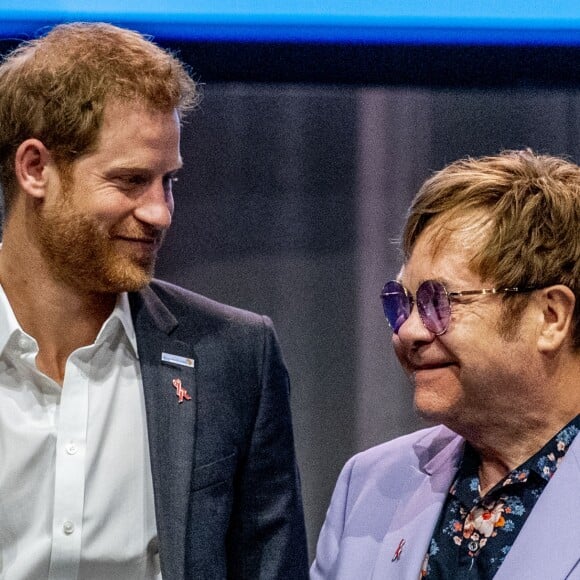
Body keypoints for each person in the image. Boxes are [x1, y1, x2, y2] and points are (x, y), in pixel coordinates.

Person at [0, 22, 309, 579]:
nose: (160, 212)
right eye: (130, 181)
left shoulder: (234, 356)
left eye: (168, 181)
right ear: (35, 168)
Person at [311, 149, 580, 579]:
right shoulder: (367, 485)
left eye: (441, 301)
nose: (408, 332)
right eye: (402, 303)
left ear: (550, 317)